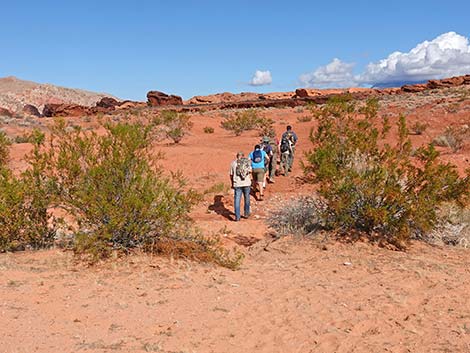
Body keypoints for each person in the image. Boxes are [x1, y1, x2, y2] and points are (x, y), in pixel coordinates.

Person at [229, 151, 252, 221]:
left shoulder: (233, 163)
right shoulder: (247, 162)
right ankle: (246, 213)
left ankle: (237, 216)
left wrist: (232, 183)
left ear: (237, 156)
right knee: (247, 198)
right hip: (247, 183)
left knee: (237, 200)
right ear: (243, 156)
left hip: (237, 184)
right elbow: (250, 171)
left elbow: (231, 174)